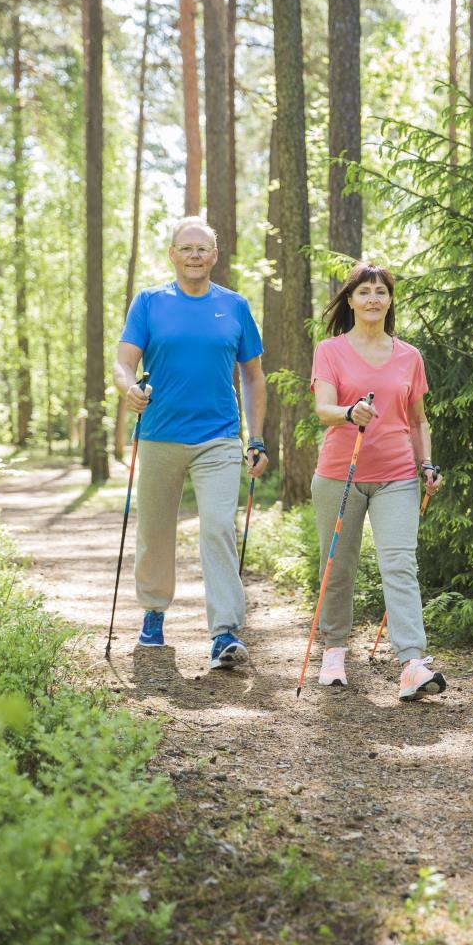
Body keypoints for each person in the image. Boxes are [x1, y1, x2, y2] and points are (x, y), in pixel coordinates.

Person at [113, 216, 268, 670]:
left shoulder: (235, 306)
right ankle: (154, 612)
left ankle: (224, 632)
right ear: (172, 254)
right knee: (155, 530)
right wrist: (128, 388)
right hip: (160, 434)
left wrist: (254, 437)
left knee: (219, 525)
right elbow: (123, 362)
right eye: (186, 248)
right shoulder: (149, 302)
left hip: (218, 438)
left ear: (215, 255)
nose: (195, 255)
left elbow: (254, 377)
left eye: (203, 248)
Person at [310, 262, 446, 701]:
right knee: (338, 565)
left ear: (390, 301)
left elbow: (417, 419)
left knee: (400, 564)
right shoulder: (329, 350)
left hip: (397, 477)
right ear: (350, 300)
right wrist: (350, 412)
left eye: (381, 292)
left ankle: (412, 663)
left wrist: (426, 463)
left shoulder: (409, 356)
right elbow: (324, 409)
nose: (373, 299)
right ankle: (333, 651)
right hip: (339, 475)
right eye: (364, 292)